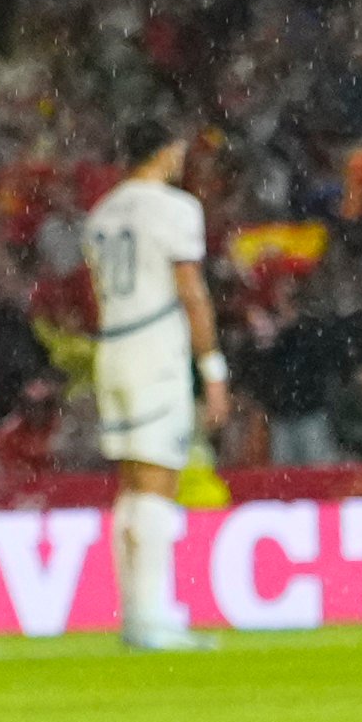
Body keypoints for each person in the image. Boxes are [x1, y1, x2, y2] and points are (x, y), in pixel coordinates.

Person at [84, 118, 225, 653]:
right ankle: (154, 616)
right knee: (160, 479)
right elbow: (192, 292)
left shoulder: (101, 214)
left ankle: (135, 613)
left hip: (112, 347)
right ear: (168, 153)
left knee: (130, 482)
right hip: (153, 348)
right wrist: (212, 370)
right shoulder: (175, 208)